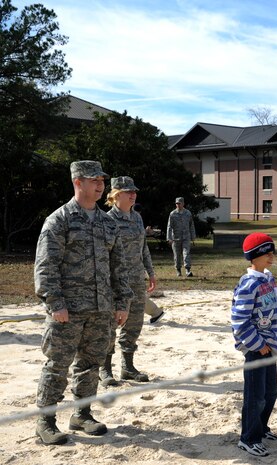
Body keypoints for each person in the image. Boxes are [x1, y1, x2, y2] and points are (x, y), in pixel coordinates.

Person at [33, 160, 133, 445]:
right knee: (57, 365)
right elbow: (45, 267)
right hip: (67, 310)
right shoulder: (59, 220)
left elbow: (119, 267)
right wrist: (55, 303)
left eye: (102, 180)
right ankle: (46, 421)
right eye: (94, 180)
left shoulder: (107, 223)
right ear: (78, 182)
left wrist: (122, 303)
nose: (101, 185)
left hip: (101, 309)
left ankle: (82, 414)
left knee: (90, 364)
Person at [231, 233, 277, 457]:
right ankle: (249, 438)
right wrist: (257, 344)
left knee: (270, 393)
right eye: (267, 252)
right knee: (255, 397)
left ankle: (261, 428)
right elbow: (239, 320)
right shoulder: (248, 284)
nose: (271, 256)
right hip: (257, 349)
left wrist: (274, 341)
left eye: (272, 252)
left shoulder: (268, 279)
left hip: (270, 346)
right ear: (255, 256)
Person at [101, 176, 157, 387]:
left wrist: (150, 272)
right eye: (127, 192)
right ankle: (104, 369)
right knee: (111, 325)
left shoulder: (137, 219)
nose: (133, 194)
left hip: (136, 280)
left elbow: (143, 248)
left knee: (134, 324)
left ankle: (127, 367)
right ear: (115, 195)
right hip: (115, 282)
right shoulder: (107, 220)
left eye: (134, 191)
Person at [166, 196, 196, 277]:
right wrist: (169, 238)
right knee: (177, 255)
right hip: (176, 238)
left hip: (186, 237)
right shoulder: (172, 214)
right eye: (177, 204)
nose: (178, 205)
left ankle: (188, 270)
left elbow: (191, 225)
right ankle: (178, 270)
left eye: (179, 203)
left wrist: (193, 237)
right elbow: (169, 226)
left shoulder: (188, 213)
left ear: (183, 204)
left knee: (186, 253)